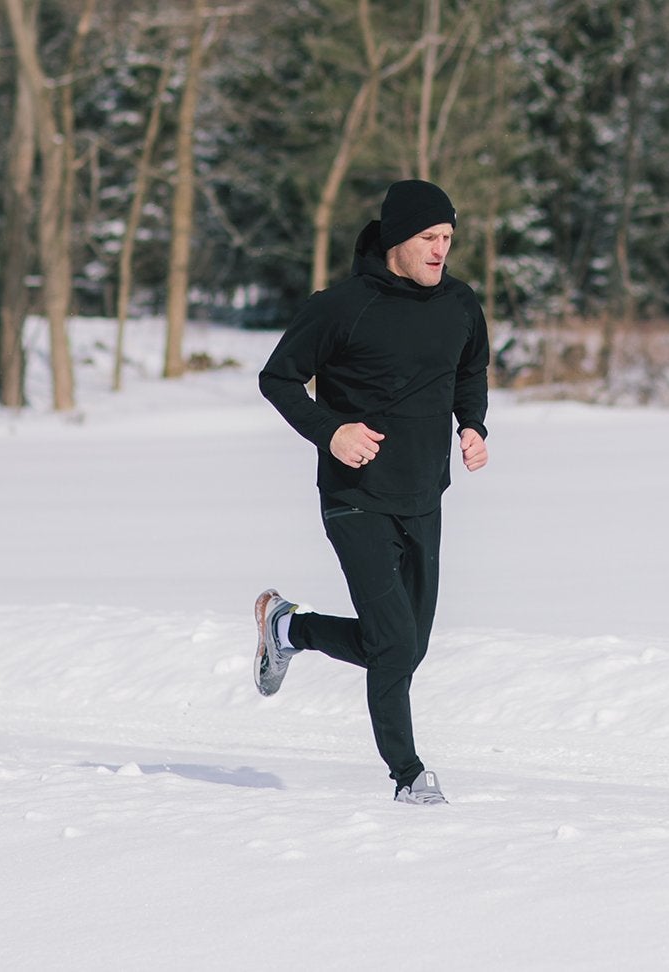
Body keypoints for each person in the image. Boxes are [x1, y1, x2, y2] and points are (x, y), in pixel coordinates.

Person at [254, 179, 490, 806]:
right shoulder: (340, 307)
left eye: (448, 238)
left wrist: (473, 425)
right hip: (354, 495)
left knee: (406, 648)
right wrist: (330, 432)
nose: (441, 251)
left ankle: (289, 629)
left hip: (423, 495)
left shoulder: (460, 304)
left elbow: (469, 372)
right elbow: (277, 379)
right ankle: (409, 776)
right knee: (393, 643)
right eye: (429, 238)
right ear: (395, 241)